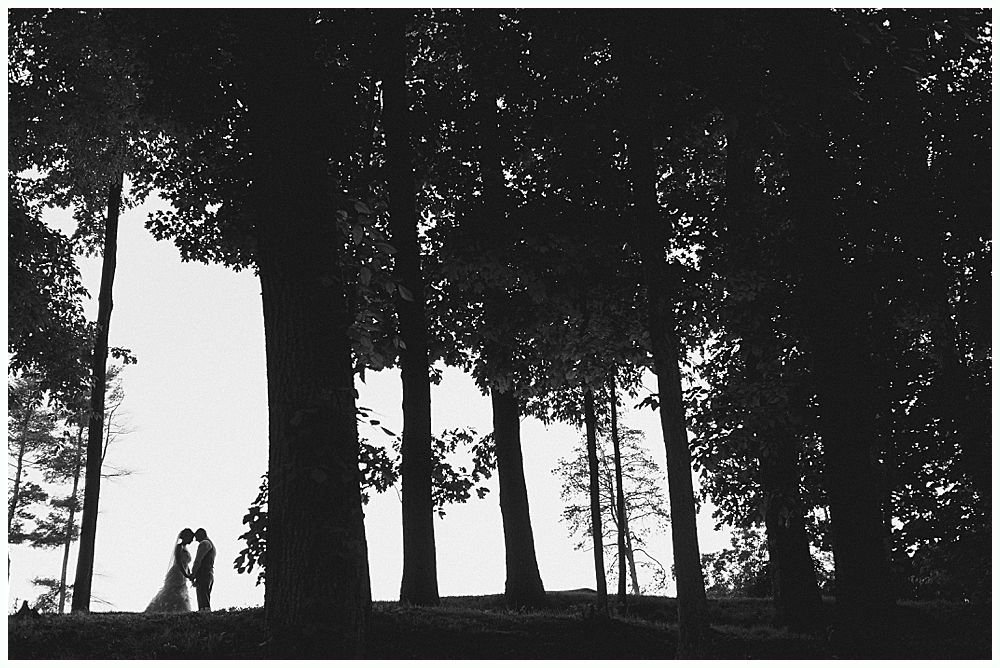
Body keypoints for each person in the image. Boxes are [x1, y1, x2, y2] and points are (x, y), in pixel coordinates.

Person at [145, 528, 195, 613]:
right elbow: (179, 562)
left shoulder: (185, 548)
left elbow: (186, 564)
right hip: (177, 573)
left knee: (180, 592)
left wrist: (189, 574)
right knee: (172, 590)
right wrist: (185, 574)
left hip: (183, 573)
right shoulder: (179, 547)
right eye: (190, 538)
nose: (192, 540)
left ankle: (178, 610)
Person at [189, 527, 216, 611]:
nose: (195, 540)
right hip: (209, 573)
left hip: (203, 573)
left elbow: (198, 560)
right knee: (205, 597)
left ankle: (205, 617)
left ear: (201, 534)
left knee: (203, 600)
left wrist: (193, 574)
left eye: (196, 537)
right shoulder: (211, 545)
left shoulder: (204, 543)